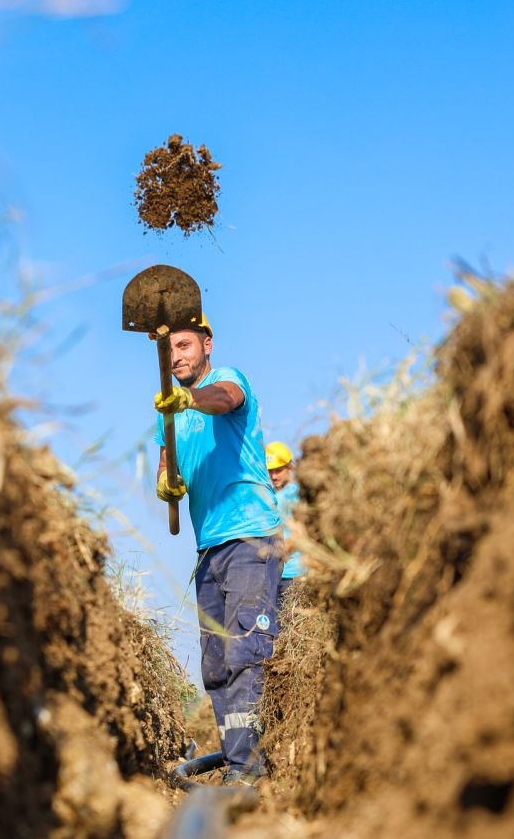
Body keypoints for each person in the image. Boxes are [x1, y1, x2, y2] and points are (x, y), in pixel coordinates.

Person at [152, 316, 282, 785]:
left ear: (207, 345)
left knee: (246, 651)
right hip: (208, 548)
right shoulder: (167, 414)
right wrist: (166, 484)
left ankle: (249, 769)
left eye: (184, 345)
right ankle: (238, 761)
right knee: (215, 664)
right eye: (169, 350)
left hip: (251, 536)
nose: (176, 357)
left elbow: (226, 397)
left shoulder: (226, 380)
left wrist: (190, 398)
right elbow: (165, 466)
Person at [265, 441, 305, 606]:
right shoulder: (270, 496)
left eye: (278, 470)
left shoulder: (296, 493)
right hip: (277, 575)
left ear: (290, 467)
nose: (274, 476)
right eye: (270, 471)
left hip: (298, 572)